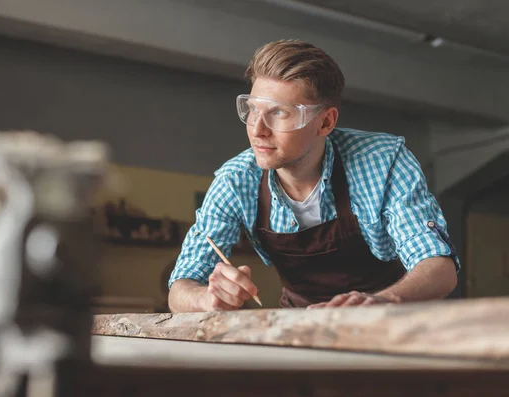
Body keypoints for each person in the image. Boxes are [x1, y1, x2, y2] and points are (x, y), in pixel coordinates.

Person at [167, 39, 459, 312]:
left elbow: (438, 266)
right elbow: (180, 286)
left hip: (389, 316)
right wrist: (207, 298)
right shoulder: (235, 181)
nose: (257, 130)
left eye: (279, 113)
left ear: (326, 122)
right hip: (300, 322)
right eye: (253, 109)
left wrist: (382, 301)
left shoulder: (382, 160)